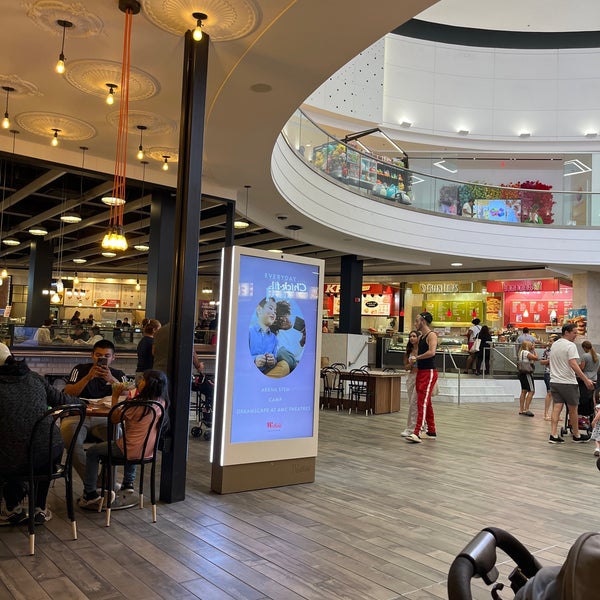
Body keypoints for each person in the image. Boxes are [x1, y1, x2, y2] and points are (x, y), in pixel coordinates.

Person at [0, 343, 84, 525]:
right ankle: (39, 508)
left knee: (11, 447)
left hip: (11, 458)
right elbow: (63, 400)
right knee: (39, 445)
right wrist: (83, 404)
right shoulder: (34, 378)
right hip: (49, 452)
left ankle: (12, 508)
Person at [78, 369, 168, 508]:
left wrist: (115, 396)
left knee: (92, 452)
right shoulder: (161, 402)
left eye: (143, 379)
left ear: (148, 384)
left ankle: (89, 494)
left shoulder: (137, 405)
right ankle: (128, 483)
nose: (139, 381)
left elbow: (114, 418)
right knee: (131, 441)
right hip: (148, 450)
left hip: (129, 449)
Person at [60, 340, 128, 482]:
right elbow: (68, 393)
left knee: (118, 440)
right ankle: (93, 483)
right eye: (98, 355)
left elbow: (128, 395)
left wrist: (111, 379)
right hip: (78, 416)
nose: (102, 359)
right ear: (92, 356)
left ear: (113, 357)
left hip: (106, 419)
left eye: (107, 356)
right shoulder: (80, 369)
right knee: (70, 440)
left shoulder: (119, 374)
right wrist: (88, 377)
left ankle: (105, 481)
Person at [548, 323, 594, 443]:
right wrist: (585, 379)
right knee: (573, 408)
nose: (576, 335)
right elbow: (573, 364)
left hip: (554, 380)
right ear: (566, 332)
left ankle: (553, 434)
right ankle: (576, 435)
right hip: (567, 382)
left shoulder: (555, 345)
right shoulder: (570, 346)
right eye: (574, 332)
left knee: (557, 407)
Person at [406, 312, 437, 443]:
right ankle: (431, 431)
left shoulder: (432, 335)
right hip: (421, 371)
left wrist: (417, 357)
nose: (415, 323)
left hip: (429, 372)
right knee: (426, 402)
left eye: (417, 321)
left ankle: (417, 432)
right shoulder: (421, 337)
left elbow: (432, 352)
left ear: (423, 321)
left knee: (422, 402)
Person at [269, 300, 305, 372]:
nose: (284, 321)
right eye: (279, 320)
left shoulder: (299, 325)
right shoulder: (276, 336)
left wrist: (302, 342)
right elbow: (286, 355)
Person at [249, 297, 279, 374]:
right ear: (259, 310)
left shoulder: (274, 338)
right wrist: (254, 360)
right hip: (249, 373)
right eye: (270, 308)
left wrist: (273, 361)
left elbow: (275, 358)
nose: (273, 313)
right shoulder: (249, 332)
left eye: (275, 312)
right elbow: (239, 357)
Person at [400, 330, 420, 438]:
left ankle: (412, 428)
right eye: (410, 336)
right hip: (411, 377)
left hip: (421, 377)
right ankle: (415, 427)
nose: (412, 338)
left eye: (414, 336)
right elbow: (406, 367)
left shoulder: (422, 351)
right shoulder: (408, 352)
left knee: (415, 403)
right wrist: (411, 363)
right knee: (412, 403)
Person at [136, 319, 161, 384]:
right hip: (147, 374)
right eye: (159, 329)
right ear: (154, 330)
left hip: (139, 372)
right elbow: (154, 355)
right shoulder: (153, 342)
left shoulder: (142, 341)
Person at [517, 341, 538, 416]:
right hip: (527, 373)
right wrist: (534, 350)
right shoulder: (526, 352)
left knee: (523, 391)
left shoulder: (521, 352)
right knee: (531, 391)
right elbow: (536, 358)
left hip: (521, 373)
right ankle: (526, 409)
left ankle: (521, 409)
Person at [578, 340, 599, 417]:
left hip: (586, 380)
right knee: (592, 398)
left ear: (584, 347)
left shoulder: (584, 356)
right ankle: (593, 413)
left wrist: (578, 367)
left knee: (584, 398)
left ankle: (583, 413)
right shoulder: (598, 356)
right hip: (595, 379)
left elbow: (582, 368)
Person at [540, 335, 558, 420]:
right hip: (549, 373)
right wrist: (549, 361)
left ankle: (555, 414)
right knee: (549, 393)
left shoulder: (559, 350)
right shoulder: (547, 351)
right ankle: (546, 413)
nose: (549, 343)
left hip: (558, 374)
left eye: (551, 341)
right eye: (549, 341)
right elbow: (541, 361)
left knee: (557, 394)